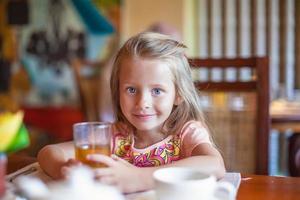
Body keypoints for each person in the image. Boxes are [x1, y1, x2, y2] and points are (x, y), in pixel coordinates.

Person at [38, 32, 226, 193]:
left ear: (178, 95)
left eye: (157, 91)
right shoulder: (114, 135)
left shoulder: (186, 134)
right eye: (131, 90)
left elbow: (215, 165)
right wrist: (62, 168)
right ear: (117, 91)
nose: (143, 103)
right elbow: (49, 152)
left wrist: (139, 177)